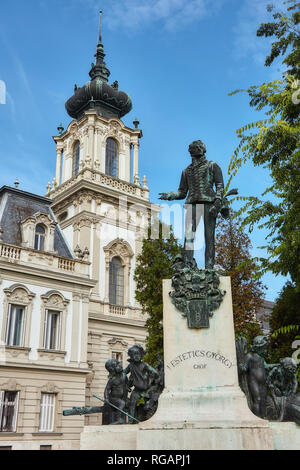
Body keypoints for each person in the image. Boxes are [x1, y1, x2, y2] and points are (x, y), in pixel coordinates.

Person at [159, 140, 225, 268]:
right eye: (197, 147)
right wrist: (170, 195)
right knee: (188, 237)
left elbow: (220, 185)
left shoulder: (212, 165)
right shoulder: (186, 171)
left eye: (201, 147)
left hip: (209, 204)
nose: (201, 149)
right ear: (192, 151)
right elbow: (182, 192)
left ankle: (209, 268)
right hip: (192, 205)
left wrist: (217, 202)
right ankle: (188, 266)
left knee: (209, 238)